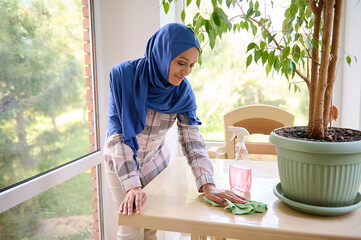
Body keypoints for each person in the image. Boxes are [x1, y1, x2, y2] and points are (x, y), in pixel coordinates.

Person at [103, 23, 247, 240]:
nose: (186, 72)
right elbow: (119, 134)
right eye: (181, 62)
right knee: (130, 228)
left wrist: (207, 183)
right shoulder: (123, 76)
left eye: (192, 65)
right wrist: (132, 185)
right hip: (120, 163)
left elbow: (192, 140)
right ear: (162, 53)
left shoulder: (183, 91)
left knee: (150, 226)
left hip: (155, 164)